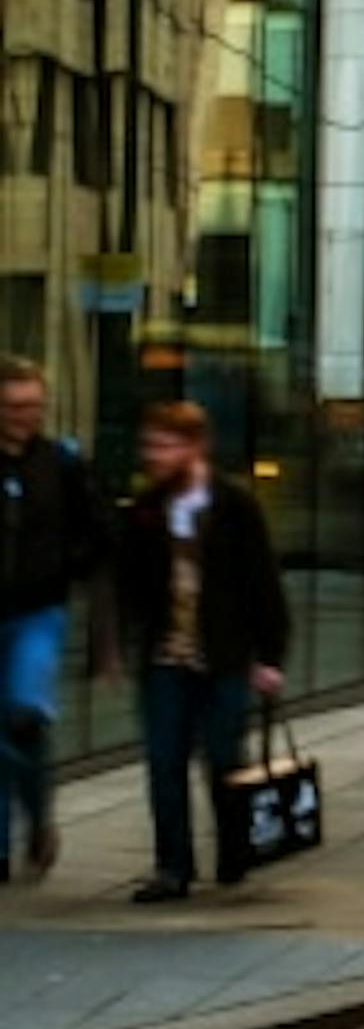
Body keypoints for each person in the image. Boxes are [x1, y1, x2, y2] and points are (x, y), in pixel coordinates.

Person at [103, 399, 286, 904]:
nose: (154, 455)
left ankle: (233, 850)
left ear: (194, 447)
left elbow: (262, 584)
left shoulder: (234, 505)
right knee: (164, 760)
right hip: (166, 657)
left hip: (224, 657)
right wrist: (115, 643)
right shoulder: (146, 508)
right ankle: (173, 866)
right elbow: (126, 581)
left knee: (225, 759)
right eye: (150, 445)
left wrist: (270, 657)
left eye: (165, 445)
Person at [0, 356, 108, 882]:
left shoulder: (61, 463)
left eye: (34, 406)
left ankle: (39, 815)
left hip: (39, 610)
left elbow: (92, 531)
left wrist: (72, 566)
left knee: (23, 716)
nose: (26, 416)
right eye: (15, 407)